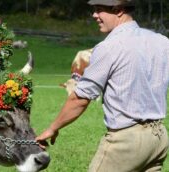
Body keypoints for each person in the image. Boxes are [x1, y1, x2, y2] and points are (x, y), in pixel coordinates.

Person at [36, 0, 169, 171]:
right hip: (158, 138)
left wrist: (52, 128)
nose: (94, 15)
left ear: (119, 11)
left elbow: (80, 99)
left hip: (126, 143)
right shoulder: (162, 42)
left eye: (99, 10)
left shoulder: (109, 47)